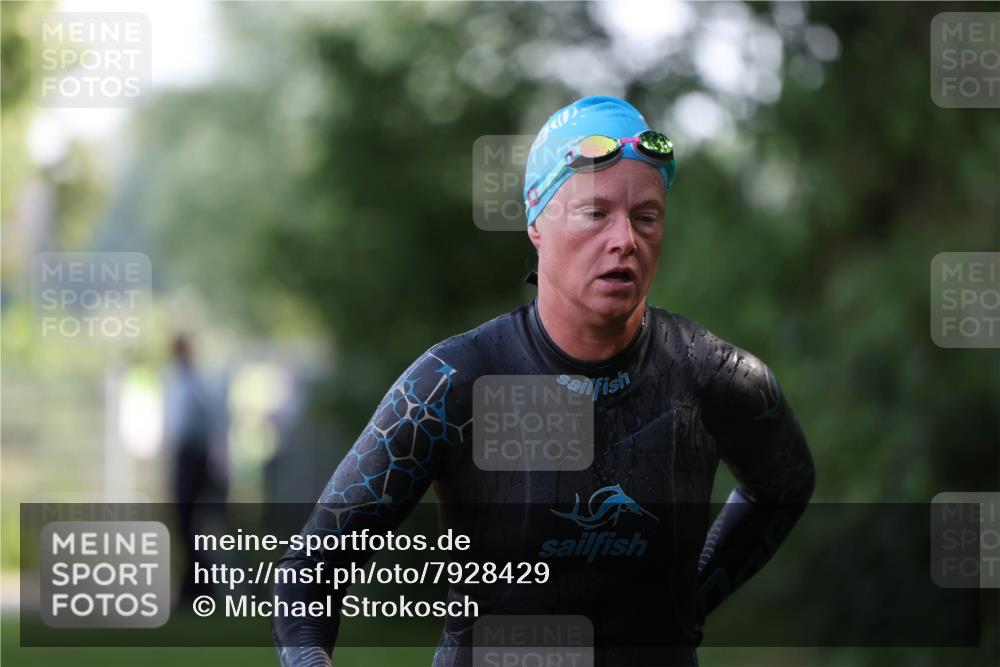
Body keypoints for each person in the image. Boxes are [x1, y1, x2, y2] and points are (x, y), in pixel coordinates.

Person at [272, 95, 815, 666]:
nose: (625, 239)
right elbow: (310, 569)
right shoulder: (454, 383)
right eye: (595, 213)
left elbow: (784, 486)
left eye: (646, 216)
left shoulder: (713, 377)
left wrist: (688, 604)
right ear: (537, 219)